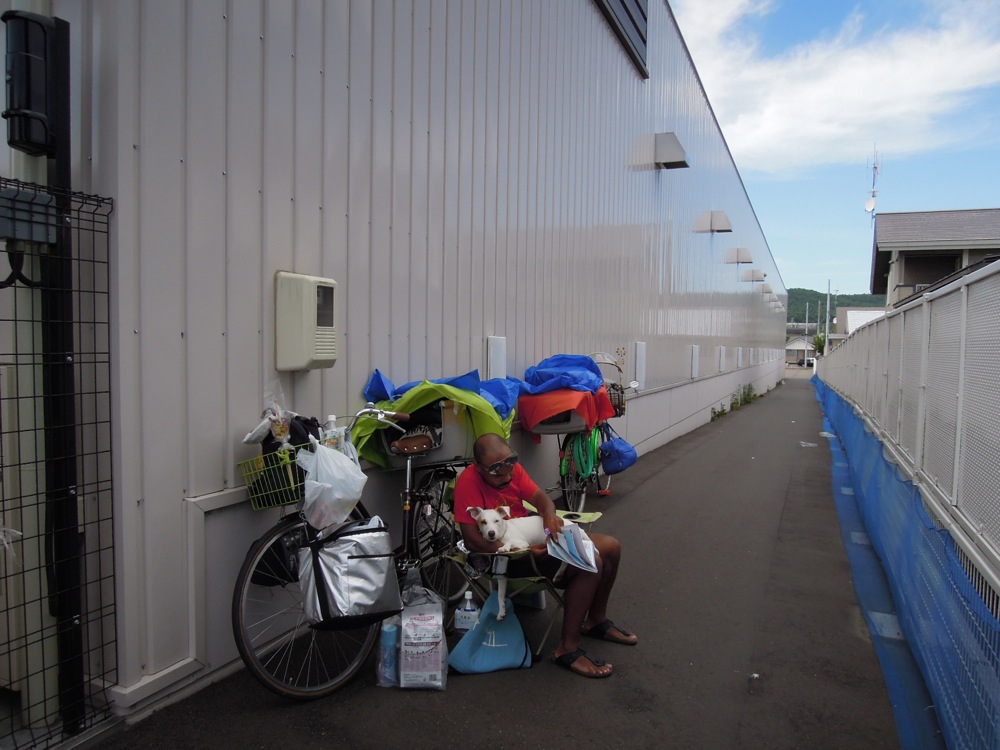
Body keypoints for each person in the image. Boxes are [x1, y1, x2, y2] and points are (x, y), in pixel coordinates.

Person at [453, 433, 637, 678]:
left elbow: (540, 499)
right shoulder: (468, 482)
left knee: (611, 546)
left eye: (510, 469)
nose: (508, 477)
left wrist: (550, 517)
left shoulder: (510, 469)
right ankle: (567, 649)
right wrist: (524, 551)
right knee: (590, 561)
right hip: (508, 559)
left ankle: (595, 620)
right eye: (499, 475)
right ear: (478, 468)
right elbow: (472, 540)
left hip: (533, 541)